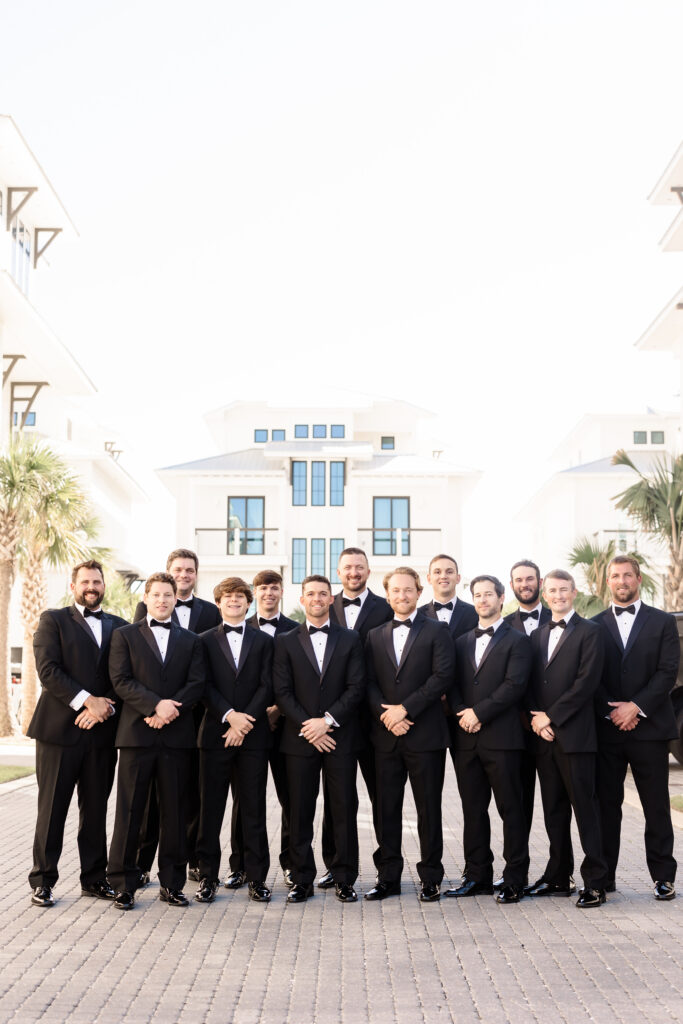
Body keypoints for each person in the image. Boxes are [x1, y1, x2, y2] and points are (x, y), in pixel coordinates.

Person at [28, 560, 127, 907]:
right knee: (52, 808)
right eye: (85, 581)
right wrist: (88, 703)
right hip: (58, 733)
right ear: (73, 586)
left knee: (96, 809)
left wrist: (107, 707)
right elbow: (48, 671)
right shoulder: (52, 620)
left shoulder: (121, 627)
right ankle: (42, 881)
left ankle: (94, 879)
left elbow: (126, 678)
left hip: (102, 734)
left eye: (97, 581)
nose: (91, 586)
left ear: (104, 586)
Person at [107, 572, 205, 910]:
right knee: (130, 811)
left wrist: (169, 710)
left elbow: (197, 683)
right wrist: (153, 706)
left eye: (169, 594)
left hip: (177, 738)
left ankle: (173, 884)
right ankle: (123, 884)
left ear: (176, 599)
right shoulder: (124, 636)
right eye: (157, 594)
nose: (163, 600)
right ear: (146, 598)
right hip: (137, 734)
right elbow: (120, 679)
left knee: (175, 814)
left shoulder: (191, 640)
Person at [274, 575, 365, 904]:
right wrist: (309, 726)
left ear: (331, 599)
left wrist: (327, 722)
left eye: (322, 594)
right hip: (299, 739)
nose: (316, 598)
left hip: (339, 737)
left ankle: (344, 877)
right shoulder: (284, 641)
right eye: (310, 593)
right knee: (299, 811)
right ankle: (301, 879)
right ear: (302, 600)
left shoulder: (351, 639)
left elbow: (356, 687)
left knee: (343, 808)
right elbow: (281, 691)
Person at [364, 567, 454, 902]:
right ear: (387, 595)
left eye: (408, 590)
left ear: (419, 592)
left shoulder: (437, 630)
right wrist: (387, 715)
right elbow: (368, 682)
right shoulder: (374, 635)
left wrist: (407, 709)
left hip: (425, 735)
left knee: (428, 808)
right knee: (386, 809)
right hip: (386, 736)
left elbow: (442, 676)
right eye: (395, 591)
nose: (402, 596)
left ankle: (431, 877)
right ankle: (388, 877)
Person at [593, 555, 679, 900]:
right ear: (608, 582)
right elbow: (589, 676)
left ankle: (663, 877)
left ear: (638, 579)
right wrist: (613, 711)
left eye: (628, 575)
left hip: (650, 729)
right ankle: (605, 876)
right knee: (606, 806)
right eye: (615, 576)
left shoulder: (661, 622)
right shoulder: (593, 624)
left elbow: (667, 672)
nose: (622, 580)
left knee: (656, 806)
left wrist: (636, 707)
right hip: (608, 730)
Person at [133, 548, 220, 885]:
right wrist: (155, 708)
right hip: (155, 716)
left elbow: (211, 666)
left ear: (196, 575)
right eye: (178, 570)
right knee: (152, 800)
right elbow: (139, 662)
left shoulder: (210, 612)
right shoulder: (145, 608)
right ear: (168, 574)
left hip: (198, 717)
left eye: (189, 570)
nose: (184, 575)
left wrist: (181, 705)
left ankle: (193, 860)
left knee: (192, 794)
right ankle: (141, 863)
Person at [446, 575, 532, 904]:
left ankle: (515, 878)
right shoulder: (461, 641)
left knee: (511, 809)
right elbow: (451, 684)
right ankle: (477, 875)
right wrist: (460, 712)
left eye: (488, 595)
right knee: (473, 810)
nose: (482, 600)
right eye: (477, 595)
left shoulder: (517, 640)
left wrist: (478, 713)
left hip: (502, 738)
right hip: (466, 739)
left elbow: (514, 685)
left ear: (501, 598)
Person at [526, 570, 608, 908]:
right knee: (553, 811)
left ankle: (596, 884)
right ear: (545, 595)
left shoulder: (591, 632)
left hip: (575, 737)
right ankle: (559, 876)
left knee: (585, 810)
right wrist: (536, 719)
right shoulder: (536, 635)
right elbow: (529, 682)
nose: (558, 595)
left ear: (574, 593)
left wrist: (552, 717)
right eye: (553, 591)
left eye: (564, 590)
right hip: (544, 737)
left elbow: (586, 683)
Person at [195, 578, 273, 904]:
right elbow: (202, 685)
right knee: (210, 810)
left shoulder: (265, 641)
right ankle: (208, 878)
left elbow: (268, 686)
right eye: (228, 597)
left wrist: (244, 722)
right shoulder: (202, 641)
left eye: (240, 597)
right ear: (219, 603)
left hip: (253, 737)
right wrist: (229, 716)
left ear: (248, 603)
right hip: (215, 735)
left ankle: (256, 879)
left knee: (253, 810)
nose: (234, 602)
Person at [318, 547, 392, 888]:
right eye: (347, 567)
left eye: (359, 567)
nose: (353, 572)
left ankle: (386, 869)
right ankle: (336, 866)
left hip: (377, 720)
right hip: (336, 721)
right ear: (338, 570)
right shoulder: (324, 604)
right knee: (338, 799)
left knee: (383, 799)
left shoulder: (386, 607)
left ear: (368, 570)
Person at [225, 570, 299, 890]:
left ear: (281, 591)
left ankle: (292, 864)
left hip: (284, 727)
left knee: (291, 798)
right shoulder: (239, 623)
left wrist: (277, 709)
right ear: (254, 593)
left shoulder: (296, 630)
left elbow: (297, 678)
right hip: (247, 728)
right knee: (245, 799)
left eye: (274, 587)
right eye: (263, 588)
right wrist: (249, 716)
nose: (268, 593)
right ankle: (239, 865)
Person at [500, 559, 553, 890]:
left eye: (530, 579)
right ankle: (516, 874)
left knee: (556, 807)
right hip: (516, 730)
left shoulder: (559, 617)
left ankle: (558, 873)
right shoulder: (503, 626)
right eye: (518, 580)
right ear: (512, 585)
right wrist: (527, 716)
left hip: (554, 728)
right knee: (517, 807)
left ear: (540, 582)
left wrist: (549, 717)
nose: (525, 584)